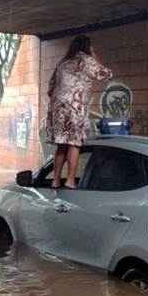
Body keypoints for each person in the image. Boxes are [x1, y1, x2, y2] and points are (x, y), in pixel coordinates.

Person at [46, 35, 113, 189]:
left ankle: (55, 180)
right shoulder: (86, 61)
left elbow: (50, 88)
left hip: (58, 109)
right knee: (74, 143)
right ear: (87, 47)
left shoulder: (63, 62)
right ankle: (70, 180)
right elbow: (106, 74)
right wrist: (94, 57)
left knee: (61, 144)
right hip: (75, 108)